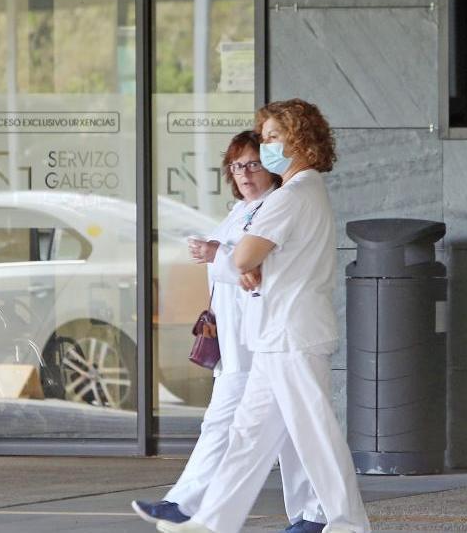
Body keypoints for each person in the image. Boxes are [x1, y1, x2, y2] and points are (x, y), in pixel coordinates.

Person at [158, 99, 370, 533]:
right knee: (249, 436)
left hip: (293, 334)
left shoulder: (294, 193)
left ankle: (348, 523)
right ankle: (213, 521)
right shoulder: (301, 191)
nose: (267, 146)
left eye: (274, 137)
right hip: (277, 334)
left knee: (315, 434)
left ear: (301, 141)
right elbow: (250, 257)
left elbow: (246, 254)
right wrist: (248, 260)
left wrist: (247, 260)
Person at [132, 130, 328, 533]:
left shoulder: (280, 204)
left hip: (266, 336)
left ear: (272, 167)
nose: (244, 173)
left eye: (253, 164)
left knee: (250, 426)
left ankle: (189, 505)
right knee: (275, 427)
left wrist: (216, 254)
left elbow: (253, 268)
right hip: (243, 340)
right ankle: (309, 515)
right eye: (237, 166)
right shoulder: (242, 210)